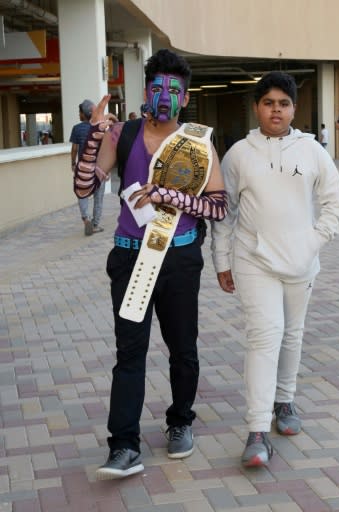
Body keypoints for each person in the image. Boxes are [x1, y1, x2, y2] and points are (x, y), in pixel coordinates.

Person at [74, 49, 227, 480]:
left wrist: (170, 197)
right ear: (146, 91)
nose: (163, 96)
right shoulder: (122, 133)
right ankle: (123, 445)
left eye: (172, 90)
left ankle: (180, 421)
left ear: (185, 96)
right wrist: (91, 138)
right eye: (156, 87)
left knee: (183, 348)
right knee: (129, 353)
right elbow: (84, 187)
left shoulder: (197, 142)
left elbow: (217, 207)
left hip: (177, 257)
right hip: (129, 257)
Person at [211, 71, 339, 468]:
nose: (276, 110)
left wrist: (312, 240)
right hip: (254, 261)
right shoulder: (239, 153)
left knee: (292, 334)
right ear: (256, 107)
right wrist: (222, 260)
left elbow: (337, 204)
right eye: (269, 103)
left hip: (302, 261)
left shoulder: (312, 150)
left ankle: (283, 402)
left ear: (293, 109)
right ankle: (256, 430)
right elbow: (225, 213)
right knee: (264, 337)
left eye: (283, 103)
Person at [70, 99, 106, 235]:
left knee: (81, 193)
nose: (79, 115)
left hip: (83, 168)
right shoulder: (100, 127)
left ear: (83, 114)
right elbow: (105, 148)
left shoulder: (77, 128)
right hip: (99, 168)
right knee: (99, 197)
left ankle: (86, 219)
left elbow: (74, 148)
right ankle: (95, 224)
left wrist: (73, 163)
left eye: (79, 112)